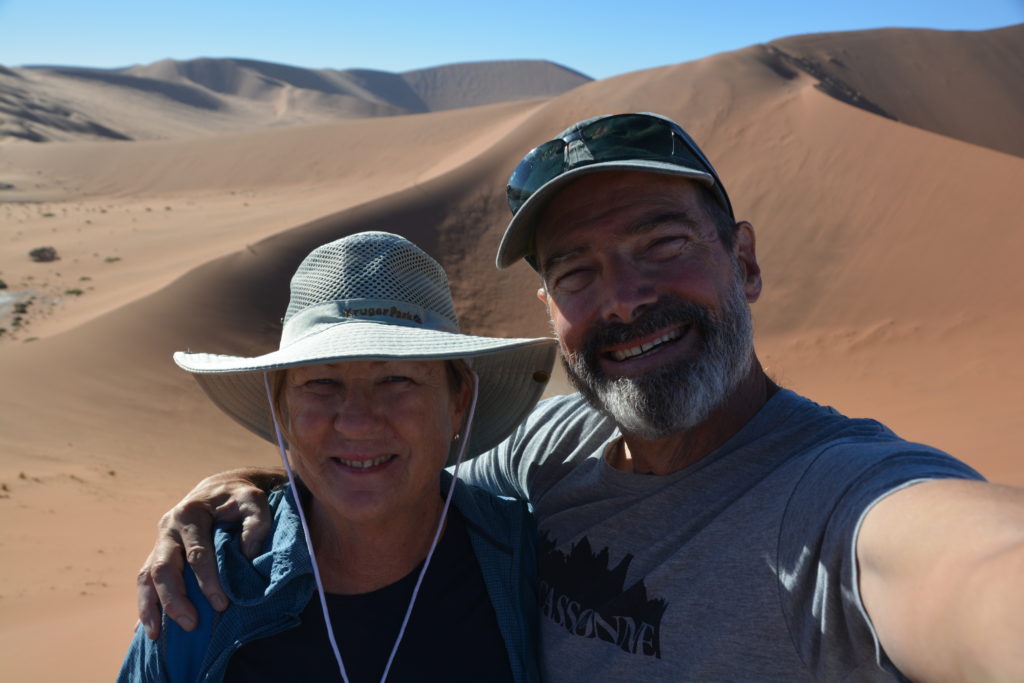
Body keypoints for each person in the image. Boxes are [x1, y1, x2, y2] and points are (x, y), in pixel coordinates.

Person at [136, 113, 1024, 681]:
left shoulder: (839, 500)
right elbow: (385, 473)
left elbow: (977, 564)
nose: (626, 299)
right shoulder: (547, 451)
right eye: (576, 272)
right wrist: (251, 486)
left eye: (664, 244)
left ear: (746, 260)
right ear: (550, 310)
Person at [119, 231, 556, 682]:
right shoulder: (202, 591)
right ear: (281, 409)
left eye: (397, 379)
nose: (357, 421)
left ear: (458, 401)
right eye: (321, 383)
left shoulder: (537, 560)